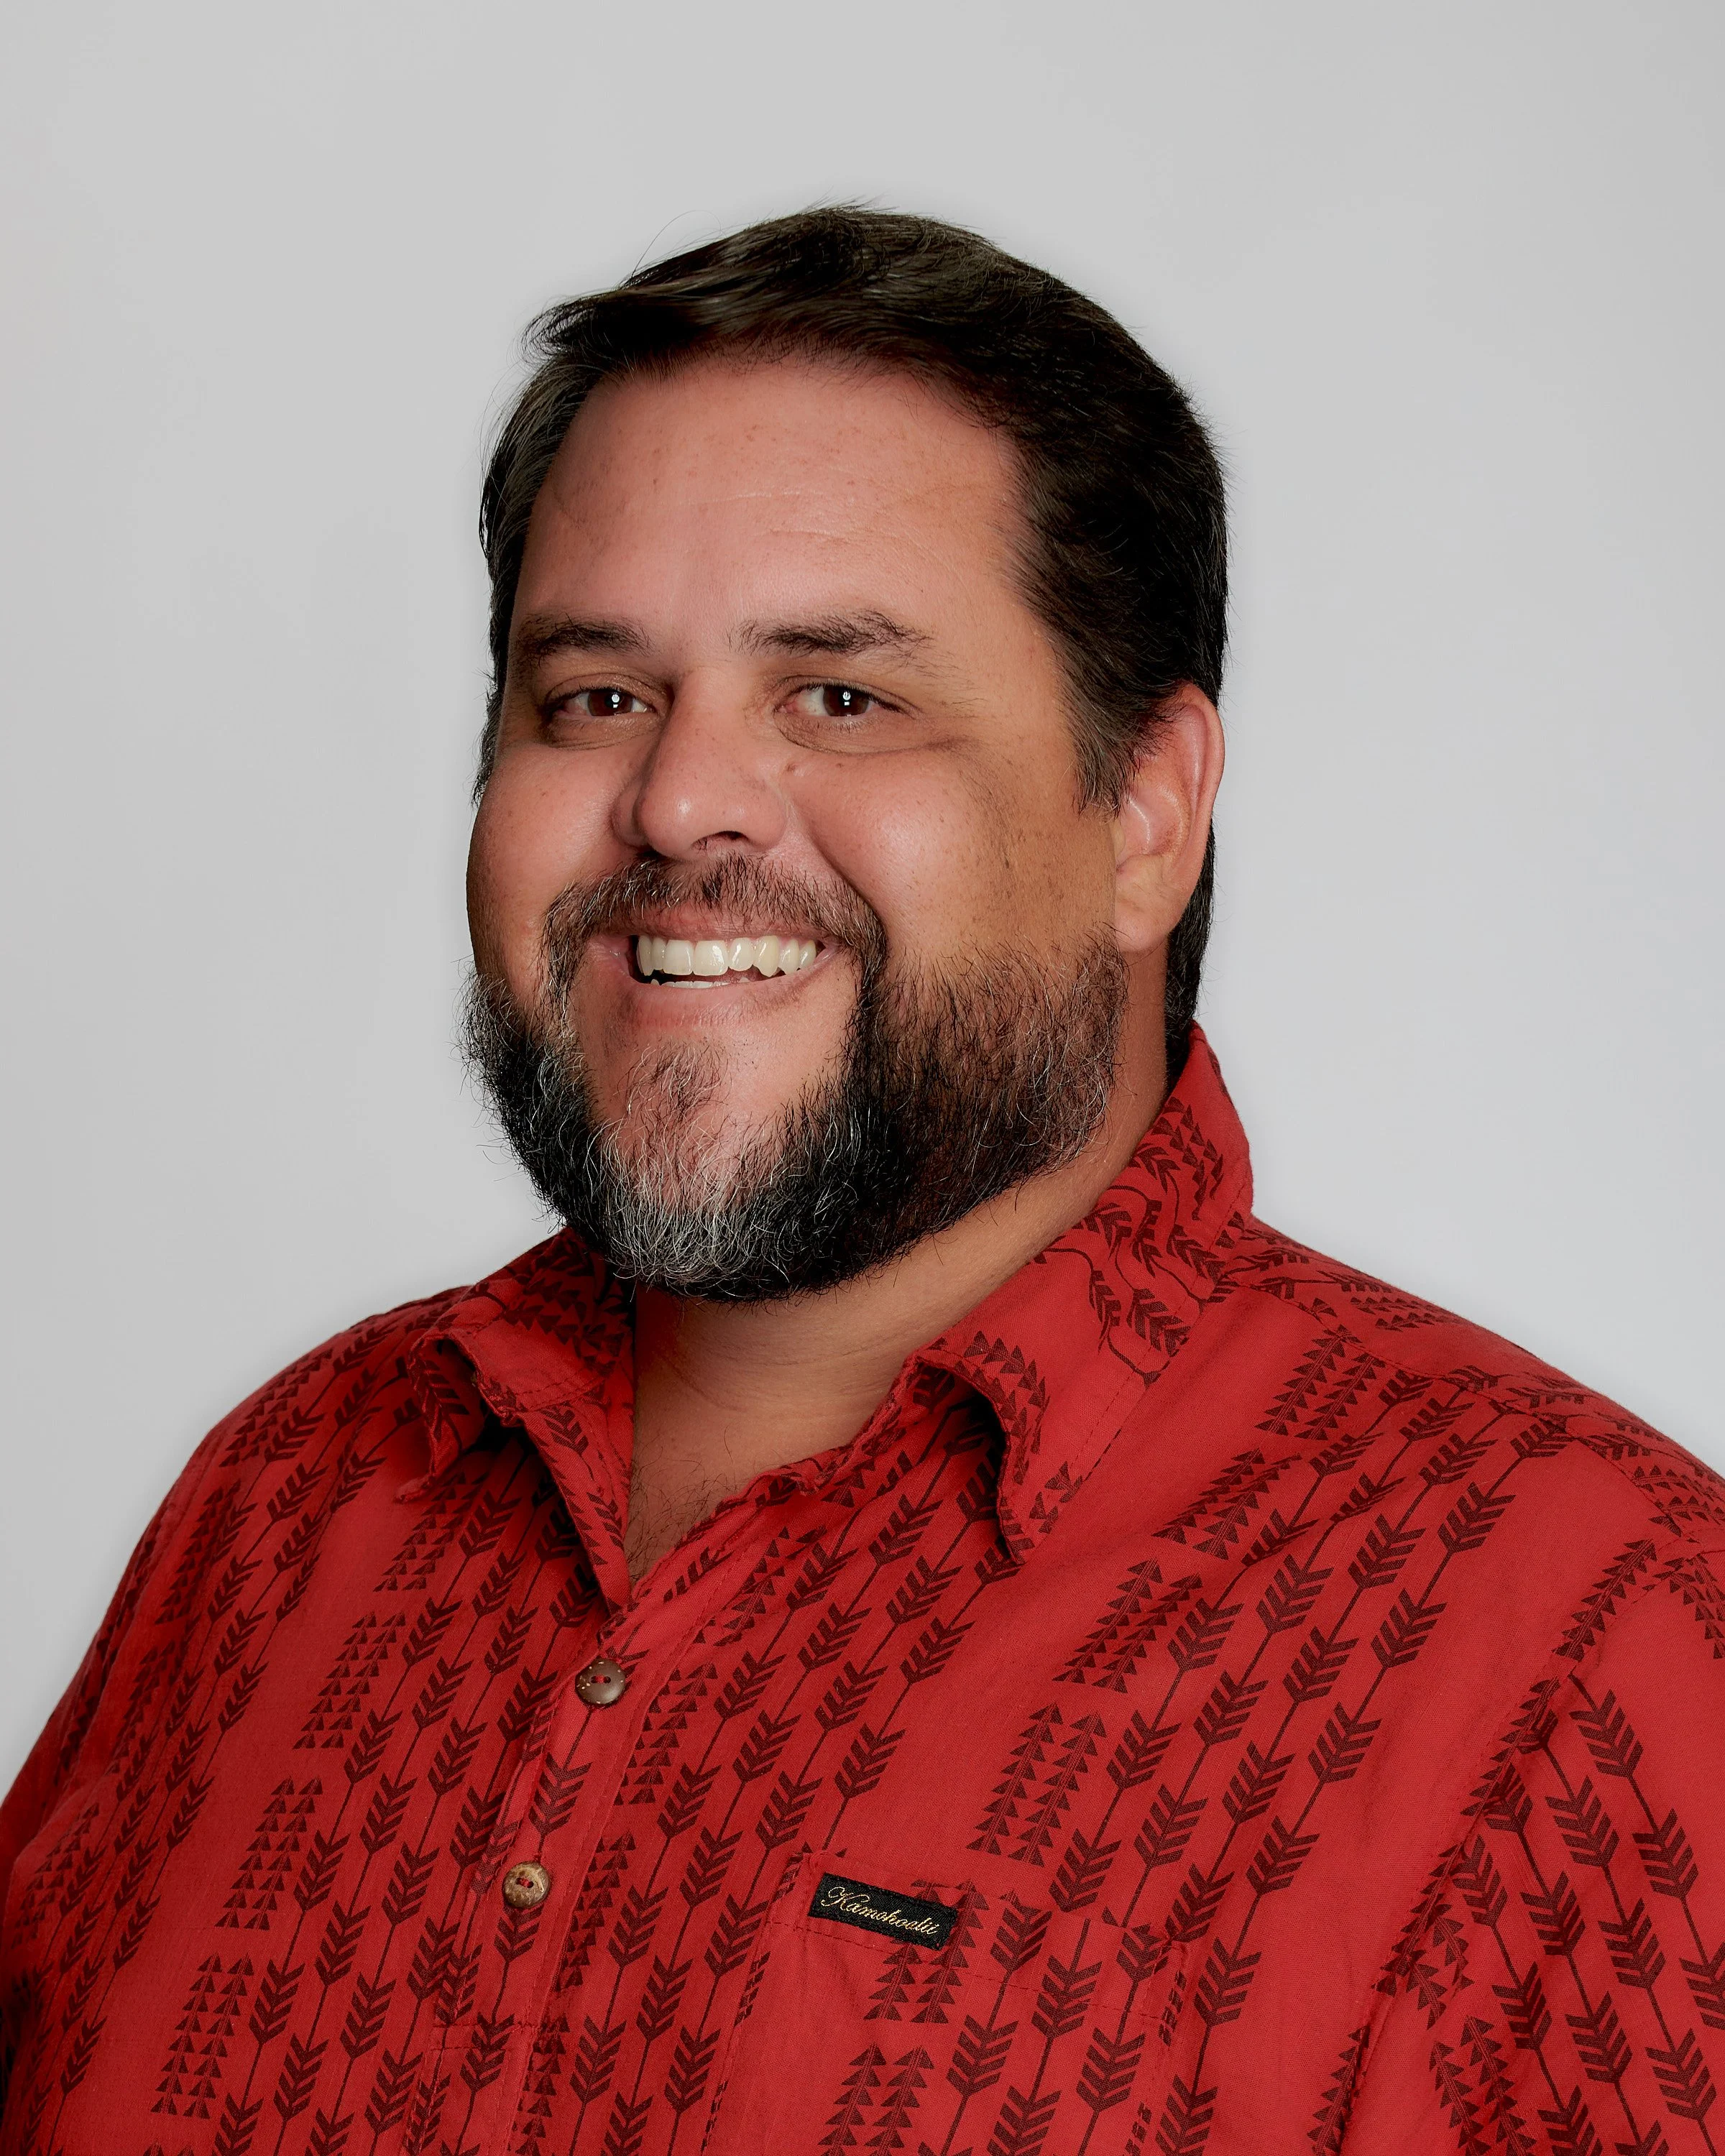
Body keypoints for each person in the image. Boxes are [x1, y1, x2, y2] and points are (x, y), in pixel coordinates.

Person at [2, 208, 1720, 2156]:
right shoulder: (288, 1499)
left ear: (1142, 811)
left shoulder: (1589, 1639)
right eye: (593, 696)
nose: (676, 802)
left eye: (839, 695)